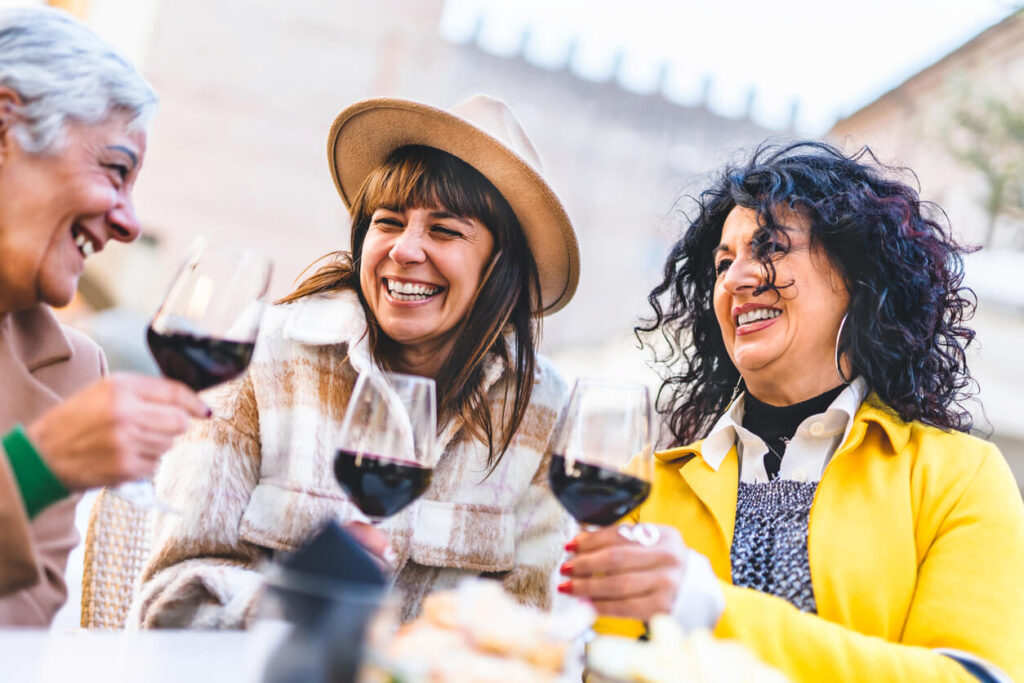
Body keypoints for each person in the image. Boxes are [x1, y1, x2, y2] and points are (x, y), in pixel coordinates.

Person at [563, 142, 1024, 681]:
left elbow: (977, 676)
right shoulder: (646, 484)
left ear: (858, 275)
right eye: (723, 262)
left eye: (771, 247)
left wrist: (711, 608)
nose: (734, 280)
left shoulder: (958, 477)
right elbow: (605, 667)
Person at [129, 95, 580, 628]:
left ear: (500, 267)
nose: (405, 250)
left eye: (445, 230)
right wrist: (294, 606)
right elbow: (166, 604)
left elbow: (527, 630)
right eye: (388, 222)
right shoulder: (267, 354)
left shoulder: (545, 409)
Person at [0, 7, 208, 626]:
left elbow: (20, 621)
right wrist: (37, 467)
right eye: (115, 170)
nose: (128, 222)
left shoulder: (72, 369)